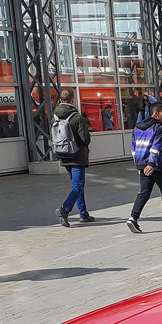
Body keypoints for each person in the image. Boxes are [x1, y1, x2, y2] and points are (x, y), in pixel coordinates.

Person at [127, 102, 162, 233]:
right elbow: (156, 147)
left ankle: (133, 218)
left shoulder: (137, 128)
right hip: (158, 166)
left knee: (144, 193)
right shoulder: (158, 128)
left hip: (143, 166)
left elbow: (134, 148)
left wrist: (139, 166)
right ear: (156, 113)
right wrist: (151, 164)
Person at [52, 88, 93, 227]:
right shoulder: (77, 117)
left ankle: (84, 214)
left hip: (63, 155)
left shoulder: (55, 117)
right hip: (77, 156)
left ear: (61, 101)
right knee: (78, 186)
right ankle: (65, 209)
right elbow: (85, 139)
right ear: (72, 100)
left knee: (77, 186)